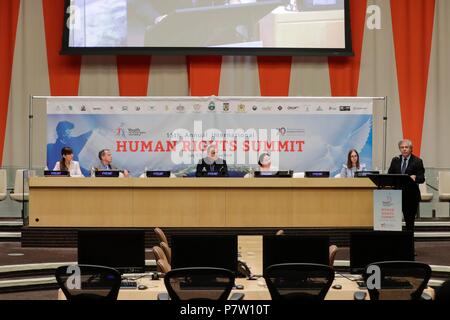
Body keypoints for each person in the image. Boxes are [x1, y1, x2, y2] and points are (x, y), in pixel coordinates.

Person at [388, 139, 425, 232]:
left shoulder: (417, 161)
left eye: (406, 147)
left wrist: (415, 178)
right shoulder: (395, 160)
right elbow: (389, 175)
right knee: (393, 222)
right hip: (396, 196)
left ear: (411, 149)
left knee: (409, 223)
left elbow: (422, 178)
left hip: (411, 196)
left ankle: (409, 244)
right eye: (402, 147)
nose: (404, 149)